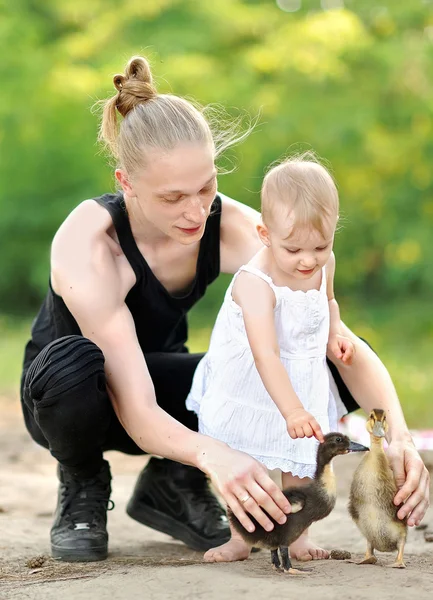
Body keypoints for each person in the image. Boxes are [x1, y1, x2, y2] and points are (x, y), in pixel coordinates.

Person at [20, 56, 429, 563]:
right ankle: (81, 480)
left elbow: (334, 342)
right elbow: (135, 407)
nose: (195, 212)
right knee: (74, 365)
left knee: (305, 351)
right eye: (172, 198)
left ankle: (172, 480)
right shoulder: (90, 246)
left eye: (206, 188)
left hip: (169, 391)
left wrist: (397, 436)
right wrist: (217, 455)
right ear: (126, 182)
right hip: (72, 399)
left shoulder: (233, 225)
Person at [187, 155, 356, 562]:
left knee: (300, 461)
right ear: (264, 234)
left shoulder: (322, 263)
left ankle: (297, 537)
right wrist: (291, 409)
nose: (308, 259)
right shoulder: (254, 283)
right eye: (293, 248)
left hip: (300, 374)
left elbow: (328, 299)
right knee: (249, 463)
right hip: (253, 379)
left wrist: (336, 330)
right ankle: (239, 538)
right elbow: (265, 354)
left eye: (321, 245)